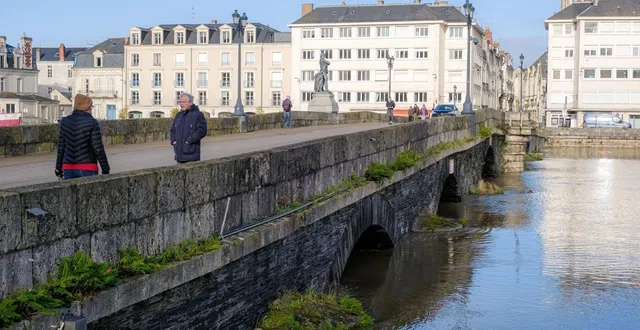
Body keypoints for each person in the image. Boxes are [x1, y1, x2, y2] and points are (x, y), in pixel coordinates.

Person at [55, 94, 110, 180]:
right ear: (87, 107)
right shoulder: (92, 122)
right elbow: (98, 148)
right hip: (88, 167)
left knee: (70, 194)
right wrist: (105, 169)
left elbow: (61, 147)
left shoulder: (65, 122)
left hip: (68, 168)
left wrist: (58, 168)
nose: (91, 109)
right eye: (91, 106)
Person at [170, 93, 207, 163]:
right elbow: (172, 130)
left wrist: (188, 141)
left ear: (190, 103)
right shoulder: (178, 115)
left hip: (191, 156)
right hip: (178, 155)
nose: (181, 104)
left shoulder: (198, 115)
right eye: (180, 102)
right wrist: (173, 142)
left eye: (184, 102)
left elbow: (202, 131)